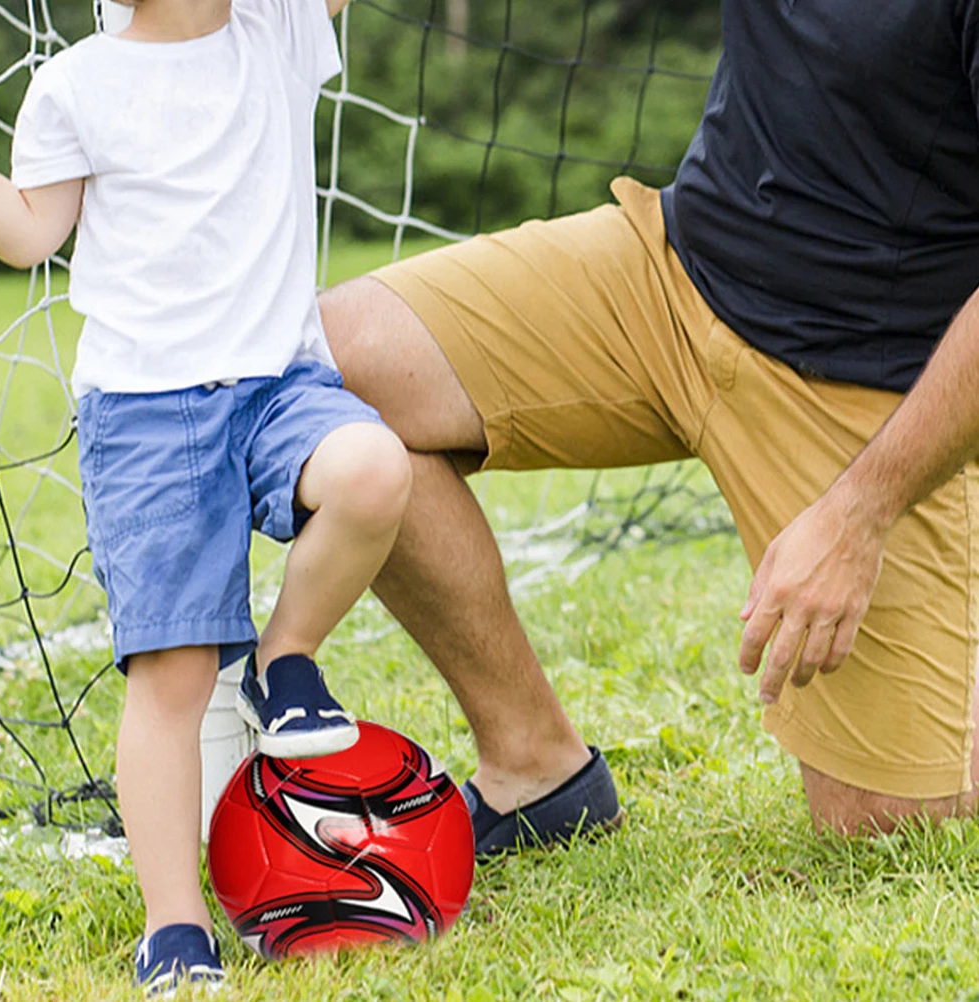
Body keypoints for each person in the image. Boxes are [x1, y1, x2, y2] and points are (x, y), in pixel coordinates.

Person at [318, 0, 979, 853]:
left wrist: (861, 514)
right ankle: (536, 769)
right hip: (672, 274)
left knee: (885, 829)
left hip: (863, 382)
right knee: (333, 368)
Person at [0, 0, 413, 993]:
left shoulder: (284, 29)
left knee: (373, 470)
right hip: (146, 414)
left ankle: (284, 658)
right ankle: (174, 926)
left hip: (278, 387)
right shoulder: (76, 82)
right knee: (169, 678)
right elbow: (29, 232)